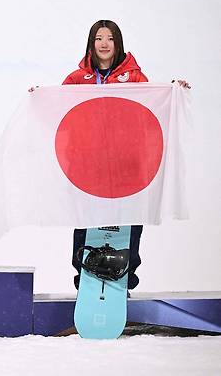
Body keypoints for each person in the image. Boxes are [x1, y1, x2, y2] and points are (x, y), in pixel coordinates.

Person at [58, 19, 190, 289]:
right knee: (87, 219)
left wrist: (173, 90)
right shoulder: (76, 79)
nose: (104, 44)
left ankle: (126, 275)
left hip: (126, 165)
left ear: (117, 43)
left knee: (128, 219)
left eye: (109, 38)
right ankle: (84, 274)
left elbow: (152, 105)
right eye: (98, 38)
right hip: (89, 166)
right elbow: (58, 109)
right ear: (91, 43)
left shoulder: (135, 77)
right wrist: (39, 97)